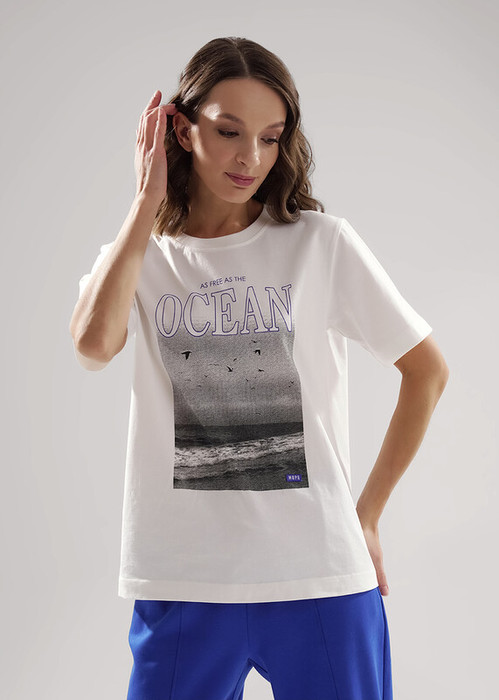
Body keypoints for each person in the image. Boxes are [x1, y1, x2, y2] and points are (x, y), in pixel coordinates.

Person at [69, 36, 449, 700]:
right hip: (183, 579)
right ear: (181, 130)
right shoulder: (140, 257)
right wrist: (144, 202)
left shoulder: (319, 244)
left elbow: (427, 371)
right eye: (228, 131)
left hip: (319, 575)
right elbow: (93, 347)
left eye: (270, 138)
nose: (250, 157)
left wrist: (366, 516)